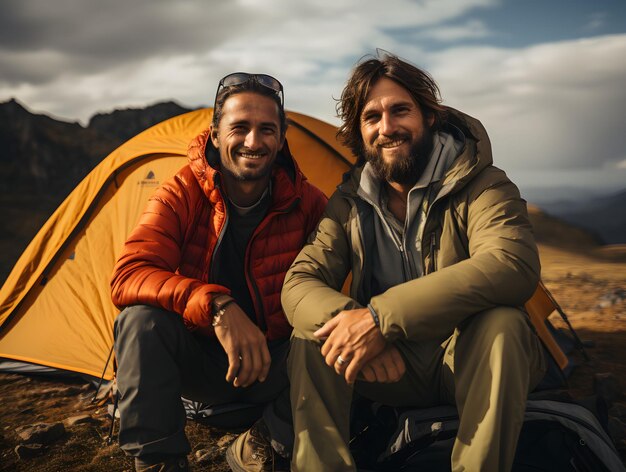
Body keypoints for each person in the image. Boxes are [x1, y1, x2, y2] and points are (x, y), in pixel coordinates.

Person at [281, 52, 547, 471]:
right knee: (313, 333)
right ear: (360, 131)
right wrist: (354, 323)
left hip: (469, 357)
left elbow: (511, 263)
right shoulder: (350, 203)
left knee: (503, 324)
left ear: (429, 116)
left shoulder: (482, 184)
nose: (387, 128)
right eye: (372, 117)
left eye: (399, 110)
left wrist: (379, 319)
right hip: (391, 368)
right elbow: (299, 282)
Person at [111, 72, 327, 472]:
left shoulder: (308, 202)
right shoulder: (182, 191)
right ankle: (160, 463)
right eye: (239, 127)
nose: (253, 141)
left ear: (281, 140)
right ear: (214, 135)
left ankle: (268, 436)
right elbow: (129, 274)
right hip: (204, 365)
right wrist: (216, 306)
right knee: (140, 321)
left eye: (266, 130)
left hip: (277, 367)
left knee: (337, 331)